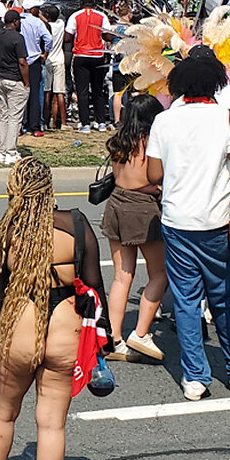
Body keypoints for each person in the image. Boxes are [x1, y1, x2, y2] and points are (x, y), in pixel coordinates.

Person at [145, 50, 230, 400]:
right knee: (229, 297)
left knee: (186, 300)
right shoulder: (226, 118)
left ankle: (195, 377)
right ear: (215, 83)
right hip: (220, 220)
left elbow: (153, 174)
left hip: (178, 220)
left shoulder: (164, 121)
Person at [0, 157, 109, 460]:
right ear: (48, 188)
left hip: (19, 328)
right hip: (66, 331)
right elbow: (95, 287)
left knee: (2, 416)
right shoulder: (77, 224)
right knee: (52, 425)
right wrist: (104, 341)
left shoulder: (6, 233)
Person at [101, 94, 168, 361]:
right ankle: (140, 333)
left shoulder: (119, 142)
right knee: (159, 274)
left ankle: (114, 339)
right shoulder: (152, 143)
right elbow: (154, 178)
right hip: (144, 208)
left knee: (121, 276)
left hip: (117, 204)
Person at [67, 0, 112, 132]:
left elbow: (68, 37)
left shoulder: (75, 16)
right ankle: (101, 122)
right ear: (93, 3)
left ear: (81, 3)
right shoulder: (102, 16)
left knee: (82, 91)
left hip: (81, 55)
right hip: (97, 55)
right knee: (98, 89)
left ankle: (85, 123)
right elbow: (109, 36)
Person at [0, 10, 29, 165]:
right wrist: (26, 82)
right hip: (14, 79)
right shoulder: (17, 37)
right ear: (15, 22)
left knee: (5, 116)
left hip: (0, 77)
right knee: (15, 117)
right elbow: (22, 62)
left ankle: (3, 151)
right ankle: (11, 152)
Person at [19, 0, 53, 135]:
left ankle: (20, 124)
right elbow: (48, 38)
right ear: (32, 9)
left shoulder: (17, 21)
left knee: (19, 94)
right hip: (34, 61)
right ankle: (34, 126)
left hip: (19, 61)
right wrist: (45, 53)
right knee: (34, 95)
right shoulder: (37, 22)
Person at [39, 4, 68, 130]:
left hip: (48, 60)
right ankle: (61, 122)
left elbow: (45, 20)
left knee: (47, 93)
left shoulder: (46, 27)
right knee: (59, 93)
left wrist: (39, 14)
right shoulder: (61, 24)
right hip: (59, 59)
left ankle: (45, 121)